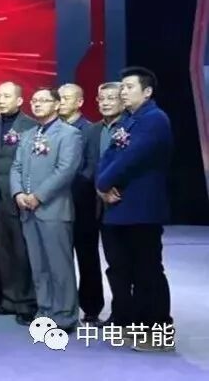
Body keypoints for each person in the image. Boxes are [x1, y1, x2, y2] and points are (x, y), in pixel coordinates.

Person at [96, 67, 174, 352]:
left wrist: (103, 183)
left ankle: (159, 330)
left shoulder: (154, 120)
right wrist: (101, 186)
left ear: (147, 91)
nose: (123, 92)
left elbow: (131, 157)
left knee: (148, 271)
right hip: (118, 208)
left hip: (142, 208)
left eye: (129, 87)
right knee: (123, 269)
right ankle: (136, 324)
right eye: (123, 87)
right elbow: (108, 157)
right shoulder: (128, 121)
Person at [10, 87, 82, 333]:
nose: (37, 104)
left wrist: (38, 196)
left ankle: (65, 315)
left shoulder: (69, 134)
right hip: (27, 210)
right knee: (39, 265)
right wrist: (18, 193)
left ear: (57, 104)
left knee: (59, 265)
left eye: (43, 100)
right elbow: (16, 167)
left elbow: (66, 170)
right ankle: (45, 310)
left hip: (54, 209)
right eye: (35, 100)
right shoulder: (28, 134)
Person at [0, 81, 39, 323]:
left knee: (22, 252)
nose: (0, 100)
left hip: (19, 197)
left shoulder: (30, 126)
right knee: (3, 253)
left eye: (6, 96)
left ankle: (27, 302)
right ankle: (8, 299)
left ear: (19, 100)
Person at [78, 82, 123, 324]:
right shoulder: (92, 131)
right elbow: (85, 166)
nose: (105, 102)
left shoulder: (130, 127)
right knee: (90, 258)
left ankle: (124, 312)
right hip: (91, 203)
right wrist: (98, 186)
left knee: (120, 262)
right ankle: (92, 308)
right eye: (101, 98)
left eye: (111, 98)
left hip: (121, 201)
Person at [59, 83, 102, 324]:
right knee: (58, 257)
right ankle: (61, 305)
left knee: (87, 258)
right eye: (60, 97)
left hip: (81, 203)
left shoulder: (90, 130)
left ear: (80, 102)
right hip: (54, 205)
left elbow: (91, 167)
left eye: (67, 98)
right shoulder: (51, 129)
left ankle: (91, 307)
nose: (62, 101)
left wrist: (63, 185)